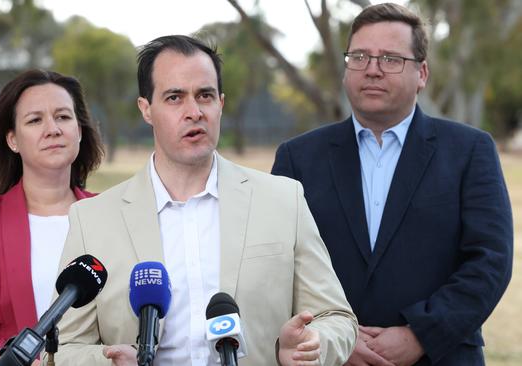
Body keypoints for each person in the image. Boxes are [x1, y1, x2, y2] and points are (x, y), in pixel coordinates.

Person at [47, 35, 357, 366]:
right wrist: (109, 363)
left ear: (220, 103)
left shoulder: (284, 200)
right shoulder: (92, 219)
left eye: (205, 96)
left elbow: (336, 317)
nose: (194, 112)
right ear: (146, 109)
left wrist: (311, 345)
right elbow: (65, 345)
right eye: (174, 97)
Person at [272, 3, 513, 366]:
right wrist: (336, 338)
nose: (372, 70)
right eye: (359, 57)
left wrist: (421, 333)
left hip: (441, 356)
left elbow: (490, 262)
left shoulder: (469, 151)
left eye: (390, 59)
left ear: (422, 73)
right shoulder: (298, 158)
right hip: (331, 358)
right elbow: (278, 264)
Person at [0, 69, 104, 366]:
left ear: (79, 131)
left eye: (63, 117)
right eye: (35, 120)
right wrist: (27, 361)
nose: (53, 129)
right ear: (13, 140)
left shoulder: (111, 215)